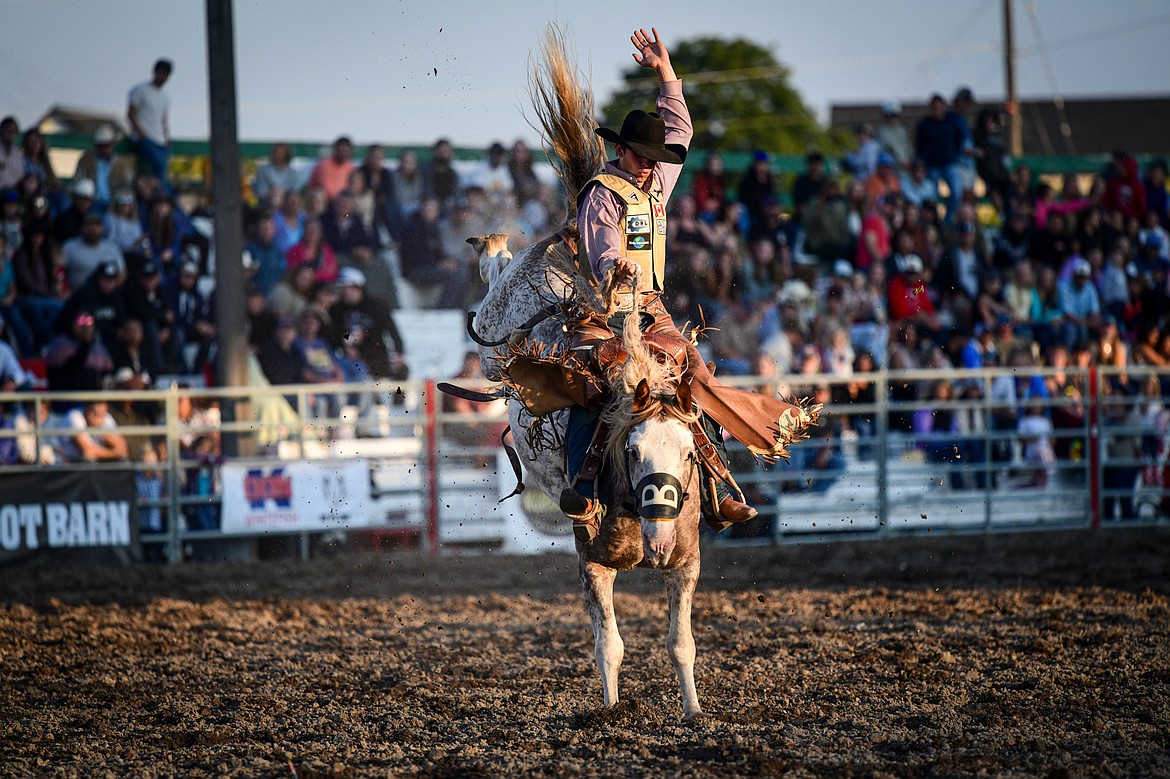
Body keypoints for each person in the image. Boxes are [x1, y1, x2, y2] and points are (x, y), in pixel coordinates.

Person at [565, 27, 812, 538]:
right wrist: (617, 268)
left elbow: (681, 131)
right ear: (623, 152)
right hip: (603, 311)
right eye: (641, 156)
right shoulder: (602, 193)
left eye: (654, 158)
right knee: (593, 388)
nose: (650, 164)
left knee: (695, 380)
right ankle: (584, 487)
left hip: (649, 308)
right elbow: (602, 247)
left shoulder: (656, 180)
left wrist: (666, 73)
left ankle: (719, 488)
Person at [127, 59, 173, 186]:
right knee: (158, 166)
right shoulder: (140, 91)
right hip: (144, 139)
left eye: (167, 74)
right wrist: (141, 133)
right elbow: (131, 114)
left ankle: (157, 194)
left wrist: (167, 136)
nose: (164, 77)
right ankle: (157, 194)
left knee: (163, 169)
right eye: (162, 73)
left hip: (160, 140)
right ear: (155, 72)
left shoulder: (165, 97)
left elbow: (163, 120)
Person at [51, 400, 129, 463]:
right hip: (65, 461)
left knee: (123, 461)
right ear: (86, 409)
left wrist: (104, 433)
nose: (99, 419)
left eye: (102, 414)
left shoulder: (106, 417)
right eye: (95, 414)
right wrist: (114, 453)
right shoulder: (75, 416)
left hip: (97, 459)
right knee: (89, 460)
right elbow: (88, 452)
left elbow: (122, 447)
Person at [307, 136, 355, 201]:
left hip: (344, 202)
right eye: (342, 150)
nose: (344, 153)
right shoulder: (324, 165)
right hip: (325, 202)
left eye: (346, 150)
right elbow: (327, 189)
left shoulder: (351, 167)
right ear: (335, 149)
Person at [0, 117, 24, 192]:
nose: (10, 134)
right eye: (8, 130)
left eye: (13, 131)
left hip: (13, 193)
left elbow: (20, 176)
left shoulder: (16, 154)